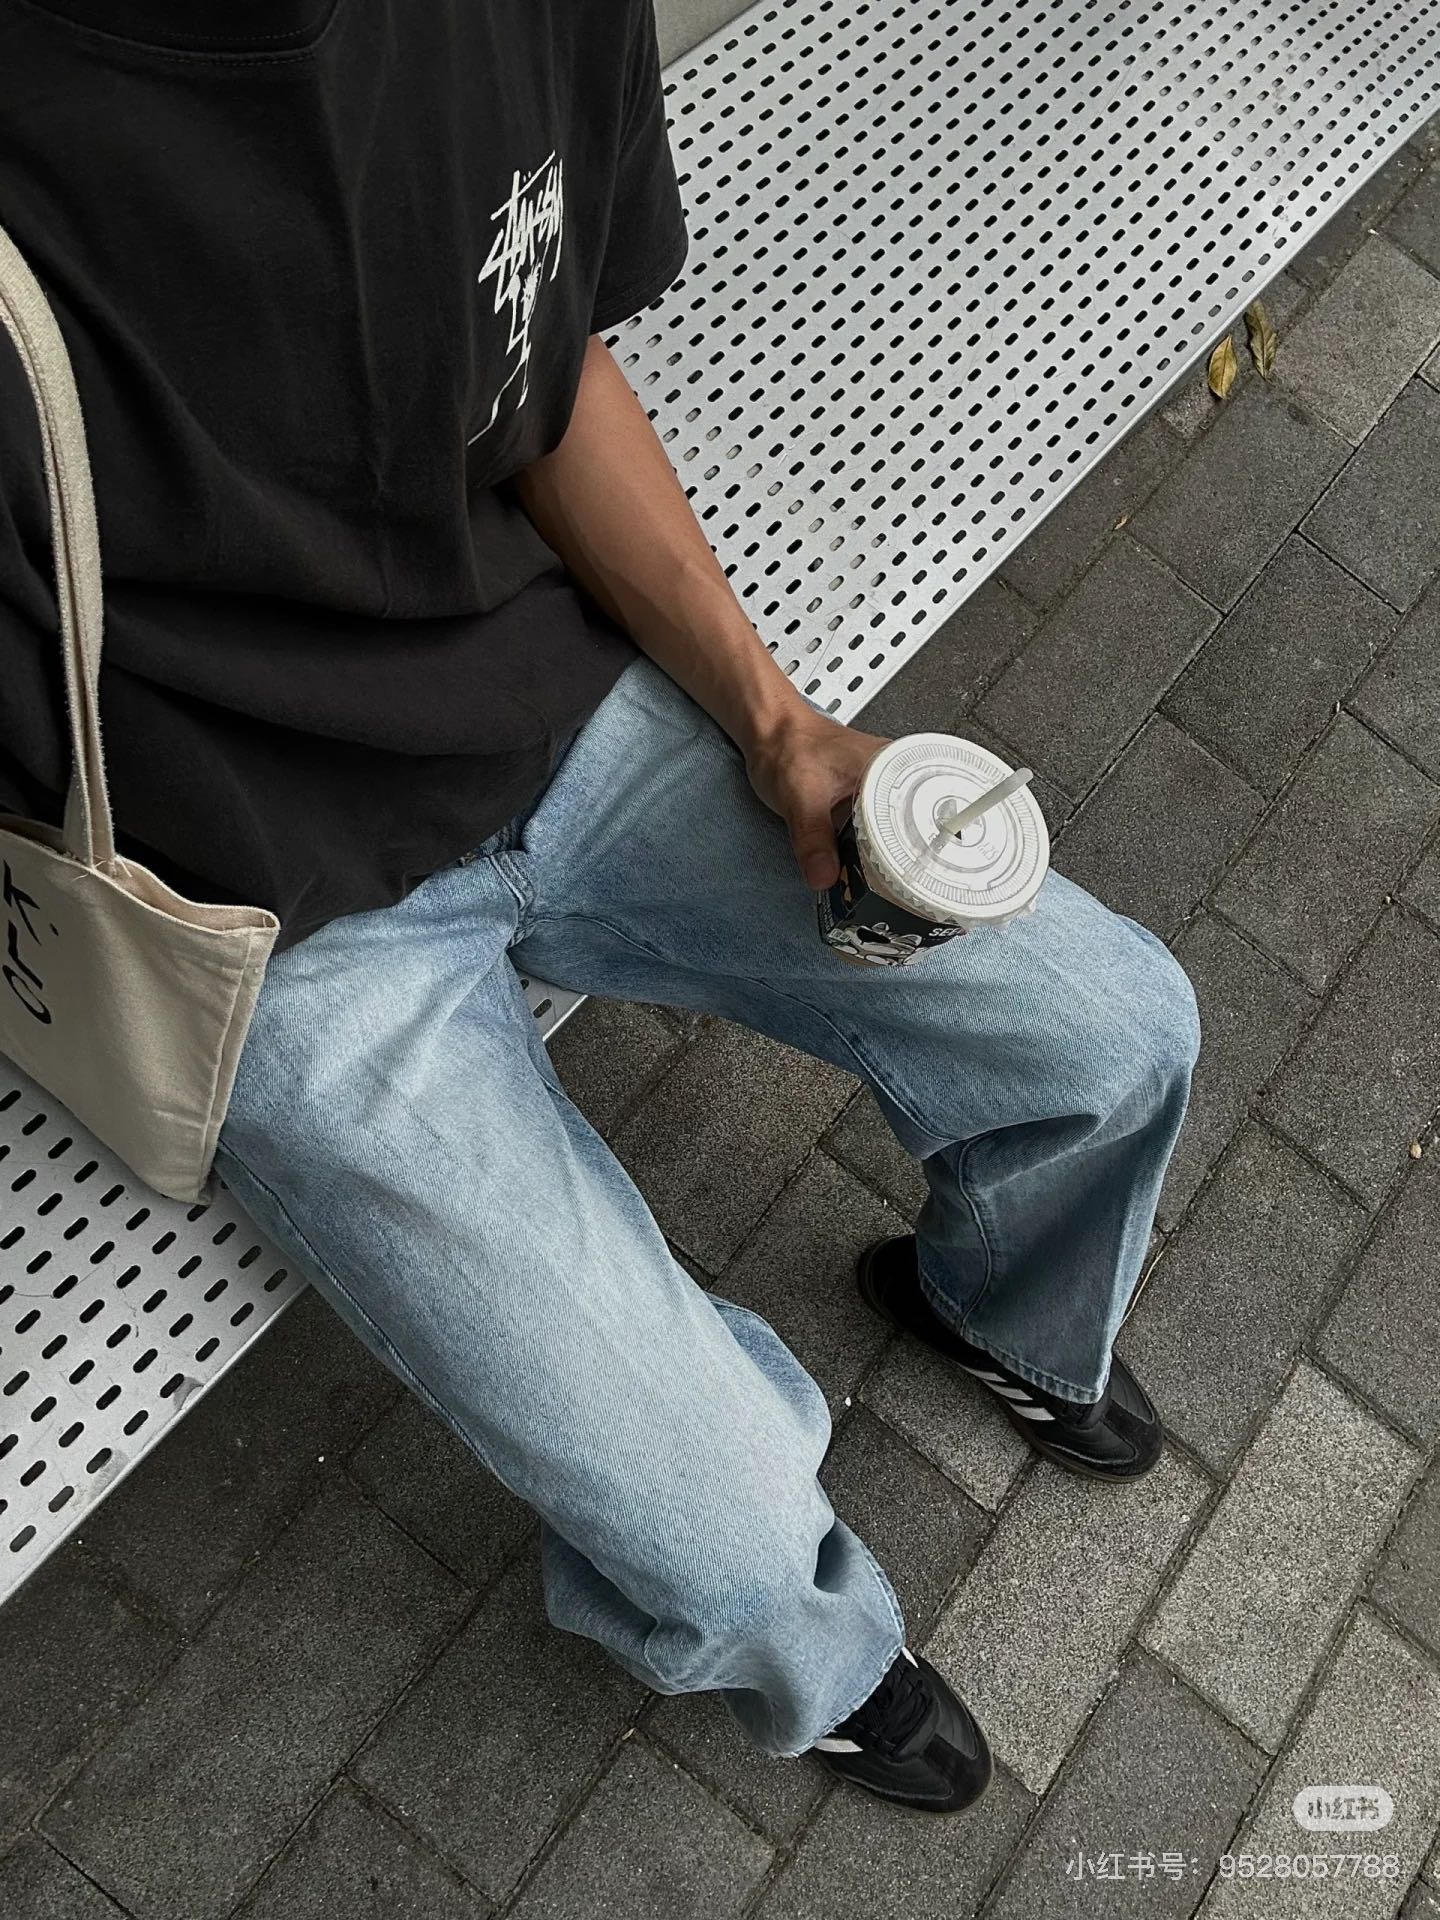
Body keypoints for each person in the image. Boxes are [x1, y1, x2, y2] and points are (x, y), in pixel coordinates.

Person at [0, 0, 1200, 1814]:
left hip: (554, 708)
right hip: (253, 925)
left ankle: (1004, 1313)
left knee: (1116, 1032)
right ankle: (822, 1658)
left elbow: (541, 374)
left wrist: (777, 724)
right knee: (724, 1530)